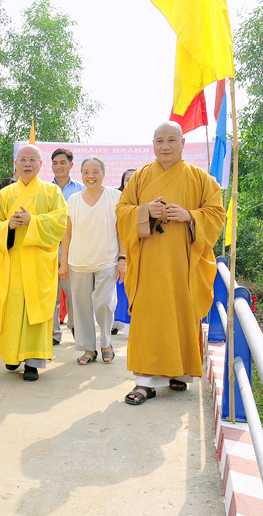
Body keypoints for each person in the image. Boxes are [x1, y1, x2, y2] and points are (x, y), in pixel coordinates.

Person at [116, 122, 225, 405]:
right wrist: (145, 211)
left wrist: (190, 216)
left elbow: (216, 214)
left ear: (182, 143)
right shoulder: (139, 178)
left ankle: (179, 372)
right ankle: (146, 382)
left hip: (183, 264)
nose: (165, 146)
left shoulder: (200, 178)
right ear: (153, 144)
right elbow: (122, 211)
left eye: (171, 140)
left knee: (181, 313)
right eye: (159, 141)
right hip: (148, 263)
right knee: (149, 317)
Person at [0, 144, 67, 381]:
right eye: (22, 159)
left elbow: (60, 223)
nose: (27, 164)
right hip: (12, 263)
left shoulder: (52, 192)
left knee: (35, 311)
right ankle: (12, 355)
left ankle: (33, 362)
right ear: (16, 164)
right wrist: (8, 226)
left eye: (33, 159)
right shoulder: (6, 194)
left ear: (41, 165)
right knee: (12, 310)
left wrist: (32, 221)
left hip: (38, 262)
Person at [58, 157, 126, 366]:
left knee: (104, 302)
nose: (91, 176)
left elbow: (122, 231)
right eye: (86, 172)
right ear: (81, 175)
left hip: (107, 260)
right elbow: (67, 234)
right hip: (78, 261)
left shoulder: (115, 196)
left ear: (104, 174)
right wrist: (63, 262)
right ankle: (88, 348)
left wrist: (122, 258)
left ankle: (106, 343)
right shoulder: (74, 200)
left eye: (95, 171)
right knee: (81, 306)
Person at [50, 148, 85, 345]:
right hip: (49, 247)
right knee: (50, 294)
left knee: (74, 293)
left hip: (73, 249)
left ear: (71, 165)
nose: (59, 166)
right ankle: (53, 334)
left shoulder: (81, 190)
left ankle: (75, 328)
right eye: (55, 163)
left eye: (63, 162)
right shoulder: (45, 189)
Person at [112, 168, 137, 335]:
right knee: (119, 287)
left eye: (134, 179)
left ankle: (132, 324)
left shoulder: (146, 199)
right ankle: (115, 323)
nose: (130, 182)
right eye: (127, 179)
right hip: (118, 250)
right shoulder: (116, 199)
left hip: (138, 249)